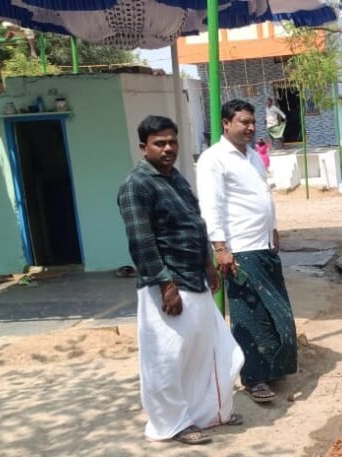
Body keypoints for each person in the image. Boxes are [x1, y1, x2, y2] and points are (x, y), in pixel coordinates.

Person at [117, 115, 244, 445]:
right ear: (143, 147)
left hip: (194, 280)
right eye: (160, 143)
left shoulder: (175, 179)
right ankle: (171, 424)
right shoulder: (137, 185)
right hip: (167, 286)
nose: (168, 148)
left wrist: (209, 266)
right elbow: (141, 241)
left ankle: (207, 413)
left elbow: (196, 225)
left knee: (208, 350)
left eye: (172, 141)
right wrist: (165, 284)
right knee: (166, 360)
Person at [197, 99, 298, 403]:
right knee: (249, 315)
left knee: (273, 313)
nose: (251, 128)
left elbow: (264, 196)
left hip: (263, 245)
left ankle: (271, 367)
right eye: (244, 122)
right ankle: (254, 379)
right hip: (240, 249)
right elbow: (211, 206)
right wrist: (220, 247)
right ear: (226, 123)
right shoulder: (213, 159)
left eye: (253, 122)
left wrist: (274, 229)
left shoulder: (253, 156)